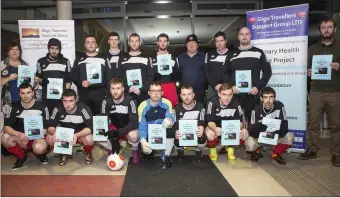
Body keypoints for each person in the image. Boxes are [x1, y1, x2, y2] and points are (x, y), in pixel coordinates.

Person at [298, 18, 340, 167]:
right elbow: (308, 68)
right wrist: (309, 72)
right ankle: (312, 149)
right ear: (320, 30)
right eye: (323, 28)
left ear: (334, 29)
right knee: (313, 124)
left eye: (329, 27)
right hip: (316, 91)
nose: (326, 30)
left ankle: (336, 154)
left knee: (336, 125)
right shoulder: (312, 49)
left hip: (335, 92)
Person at [223, 27, 272, 122]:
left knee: (254, 121)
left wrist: (258, 87)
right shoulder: (231, 54)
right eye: (242, 34)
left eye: (247, 34)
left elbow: (267, 72)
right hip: (235, 94)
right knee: (235, 121)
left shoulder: (259, 52)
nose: (244, 36)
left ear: (251, 36)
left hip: (253, 94)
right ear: (238, 37)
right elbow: (225, 73)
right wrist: (231, 86)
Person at [2, 83, 49, 170]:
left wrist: (31, 135)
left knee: (39, 148)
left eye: (28, 92)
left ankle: (40, 154)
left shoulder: (42, 106)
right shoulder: (14, 107)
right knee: (4, 138)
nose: (26, 96)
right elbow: (6, 127)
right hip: (21, 138)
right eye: (23, 93)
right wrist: (18, 134)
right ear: (19, 94)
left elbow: (47, 129)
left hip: (36, 138)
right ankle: (22, 157)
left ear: (33, 92)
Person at [246, 87, 294, 165]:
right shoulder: (256, 109)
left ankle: (275, 154)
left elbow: (285, 126)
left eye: (271, 97)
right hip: (260, 136)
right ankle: (257, 151)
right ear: (261, 99)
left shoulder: (280, 106)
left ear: (274, 98)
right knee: (249, 143)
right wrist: (264, 126)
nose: (268, 100)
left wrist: (274, 130)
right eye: (265, 97)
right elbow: (252, 131)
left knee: (290, 137)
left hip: (275, 135)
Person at [46, 89, 94, 166]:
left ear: (76, 100)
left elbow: (91, 127)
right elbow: (50, 126)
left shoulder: (83, 109)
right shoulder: (57, 109)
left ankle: (87, 151)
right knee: (49, 138)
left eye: (71, 101)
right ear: (62, 100)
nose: (68, 104)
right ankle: (63, 152)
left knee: (90, 139)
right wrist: (54, 133)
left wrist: (76, 135)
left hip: (80, 134)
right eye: (65, 101)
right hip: (64, 134)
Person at [205, 83, 248, 161]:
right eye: (224, 94)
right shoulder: (212, 102)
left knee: (244, 132)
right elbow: (210, 121)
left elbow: (240, 121)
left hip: (230, 128)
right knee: (210, 134)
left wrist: (238, 129)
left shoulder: (237, 102)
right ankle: (213, 149)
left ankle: (230, 148)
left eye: (230, 94)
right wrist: (215, 129)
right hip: (217, 128)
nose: (227, 98)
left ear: (232, 94)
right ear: (219, 94)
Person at [101, 78, 140, 163]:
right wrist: (110, 133)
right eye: (113, 88)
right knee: (98, 134)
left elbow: (134, 123)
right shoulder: (106, 102)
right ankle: (112, 148)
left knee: (133, 135)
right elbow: (103, 121)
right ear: (110, 89)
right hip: (114, 127)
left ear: (123, 89)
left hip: (128, 127)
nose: (115, 91)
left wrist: (120, 132)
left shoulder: (131, 101)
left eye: (118, 88)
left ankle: (135, 149)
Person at [138, 82, 174, 169]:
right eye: (153, 91)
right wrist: (143, 140)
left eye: (158, 91)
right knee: (146, 149)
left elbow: (170, 118)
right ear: (149, 93)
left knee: (171, 130)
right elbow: (142, 126)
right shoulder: (143, 106)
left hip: (163, 130)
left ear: (162, 93)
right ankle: (149, 151)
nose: (156, 93)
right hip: (149, 132)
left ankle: (165, 155)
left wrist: (169, 120)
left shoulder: (167, 103)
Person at [71, 35, 106, 116]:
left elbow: (108, 77)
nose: (90, 44)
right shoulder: (79, 59)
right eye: (88, 42)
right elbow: (73, 76)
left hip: (99, 94)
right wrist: (81, 83)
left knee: (99, 120)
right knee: (85, 120)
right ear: (85, 45)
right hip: (84, 95)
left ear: (96, 45)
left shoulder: (103, 58)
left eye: (92, 42)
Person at [36, 38, 72, 114]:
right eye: (52, 48)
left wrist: (66, 96)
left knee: (61, 120)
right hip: (46, 98)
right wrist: (42, 81)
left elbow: (69, 80)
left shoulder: (66, 61)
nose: (54, 51)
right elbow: (37, 78)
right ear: (48, 48)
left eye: (57, 48)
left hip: (61, 98)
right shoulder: (41, 61)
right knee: (48, 120)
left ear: (60, 49)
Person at [117, 33, 154, 105]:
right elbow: (119, 76)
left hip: (143, 95)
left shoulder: (147, 57)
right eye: (132, 41)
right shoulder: (122, 58)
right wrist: (127, 88)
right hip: (126, 95)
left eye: (136, 41)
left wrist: (141, 89)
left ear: (140, 42)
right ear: (128, 43)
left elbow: (150, 76)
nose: (134, 43)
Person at [173, 85, 206, 162]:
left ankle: (198, 149)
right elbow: (175, 125)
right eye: (184, 95)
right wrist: (176, 131)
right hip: (183, 134)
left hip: (195, 133)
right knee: (176, 140)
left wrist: (201, 128)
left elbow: (202, 122)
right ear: (180, 96)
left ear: (193, 95)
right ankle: (180, 150)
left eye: (189, 94)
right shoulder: (176, 109)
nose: (186, 97)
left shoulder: (200, 106)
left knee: (202, 138)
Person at [150, 33, 180, 106]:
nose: (163, 43)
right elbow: (149, 75)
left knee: (172, 110)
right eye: (160, 41)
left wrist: (175, 79)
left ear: (168, 43)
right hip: (157, 88)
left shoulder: (173, 57)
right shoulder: (152, 58)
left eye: (165, 41)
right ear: (157, 43)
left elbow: (178, 74)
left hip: (171, 87)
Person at [1, 41, 30, 118]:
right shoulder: (2, 65)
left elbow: (30, 84)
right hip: (7, 103)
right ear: (7, 52)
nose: (14, 51)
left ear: (20, 52)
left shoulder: (26, 64)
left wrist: (34, 81)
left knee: (22, 124)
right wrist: (8, 78)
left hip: (23, 101)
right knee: (7, 126)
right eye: (12, 49)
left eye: (17, 49)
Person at [176, 34, 206, 104]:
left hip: (199, 91)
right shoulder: (179, 57)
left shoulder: (204, 56)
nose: (191, 45)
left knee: (200, 111)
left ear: (197, 45)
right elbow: (176, 74)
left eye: (194, 43)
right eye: (189, 43)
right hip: (184, 91)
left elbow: (209, 72)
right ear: (186, 45)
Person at [204, 31, 229, 98]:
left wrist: (227, 85)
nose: (219, 43)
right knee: (211, 106)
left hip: (228, 87)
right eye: (217, 41)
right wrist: (215, 85)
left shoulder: (232, 54)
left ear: (225, 41)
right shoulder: (209, 55)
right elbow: (207, 72)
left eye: (221, 40)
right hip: (213, 87)